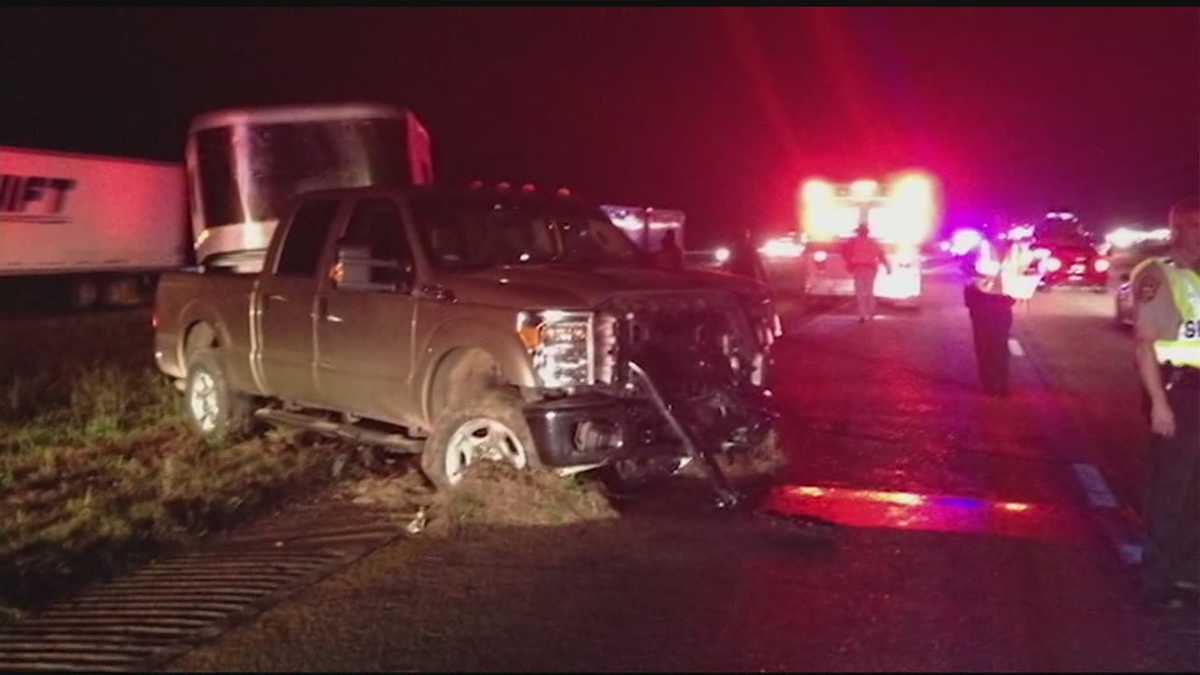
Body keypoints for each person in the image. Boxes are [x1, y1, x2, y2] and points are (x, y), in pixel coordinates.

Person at [1131, 196, 1200, 611]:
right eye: (1195, 224)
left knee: (1195, 494)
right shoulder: (1159, 275)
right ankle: (1156, 583)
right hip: (1179, 394)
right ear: (1177, 229)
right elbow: (1144, 345)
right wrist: (1158, 404)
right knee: (1171, 490)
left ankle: (1185, 572)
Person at [963, 235, 1037, 396]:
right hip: (995, 304)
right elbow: (1029, 270)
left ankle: (992, 384)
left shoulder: (980, 247)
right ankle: (999, 385)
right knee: (998, 345)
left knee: (986, 346)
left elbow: (965, 270)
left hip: (985, 304)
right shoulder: (1015, 250)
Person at [842, 222, 891, 321]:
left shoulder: (853, 242)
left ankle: (863, 315)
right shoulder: (873, 243)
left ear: (859, 232)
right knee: (869, 290)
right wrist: (887, 267)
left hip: (859, 268)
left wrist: (849, 264)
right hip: (870, 268)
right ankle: (871, 312)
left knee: (860, 292)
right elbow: (881, 255)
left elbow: (845, 253)